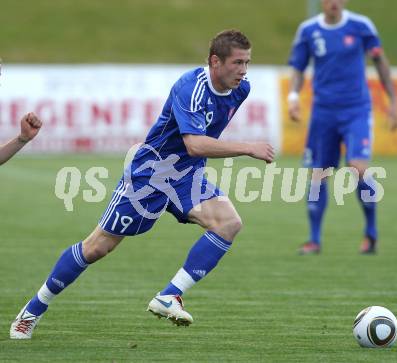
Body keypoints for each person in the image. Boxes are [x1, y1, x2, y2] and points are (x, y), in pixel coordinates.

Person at [10, 29, 274, 339]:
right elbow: (195, 144)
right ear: (215, 61)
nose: (243, 71)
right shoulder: (190, 88)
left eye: (247, 63)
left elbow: (196, 149)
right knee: (97, 247)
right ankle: (32, 311)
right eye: (238, 63)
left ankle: (169, 295)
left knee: (228, 223)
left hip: (186, 175)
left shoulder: (240, 89)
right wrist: (248, 147)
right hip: (150, 175)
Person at [287, 0, 397, 255]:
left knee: (358, 168)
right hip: (323, 112)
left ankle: (371, 233)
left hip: (356, 110)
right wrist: (293, 98)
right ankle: (314, 239)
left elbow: (380, 61)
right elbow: (298, 68)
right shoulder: (308, 30)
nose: (333, 2)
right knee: (318, 175)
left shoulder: (361, 26)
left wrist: (394, 100)